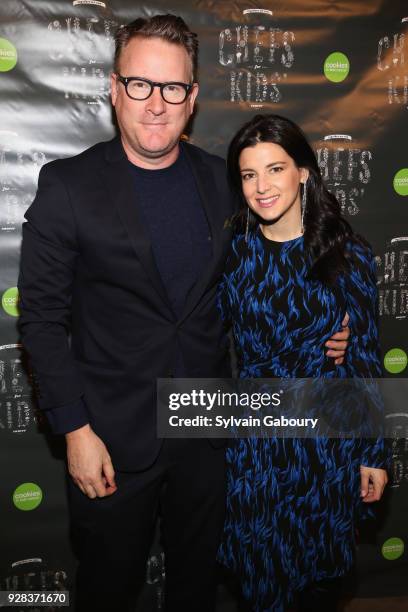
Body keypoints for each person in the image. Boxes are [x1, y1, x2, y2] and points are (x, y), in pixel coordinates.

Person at [17, 15, 349, 612]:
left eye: (172, 88)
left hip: (210, 429)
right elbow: (40, 319)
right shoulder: (67, 186)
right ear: (115, 88)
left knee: (198, 586)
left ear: (191, 99)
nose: (155, 104)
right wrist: (74, 429)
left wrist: (331, 318)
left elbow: (275, 263)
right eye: (140, 84)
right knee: (108, 587)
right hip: (110, 433)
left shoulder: (222, 181)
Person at [217, 114, 389, 612]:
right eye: (249, 175)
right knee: (260, 581)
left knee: (315, 584)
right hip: (256, 448)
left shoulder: (346, 254)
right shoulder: (236, 255)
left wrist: (373, 453)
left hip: (324, 447)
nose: (262, 187)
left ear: (304, 172)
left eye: (275, 169)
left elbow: (365, 362)